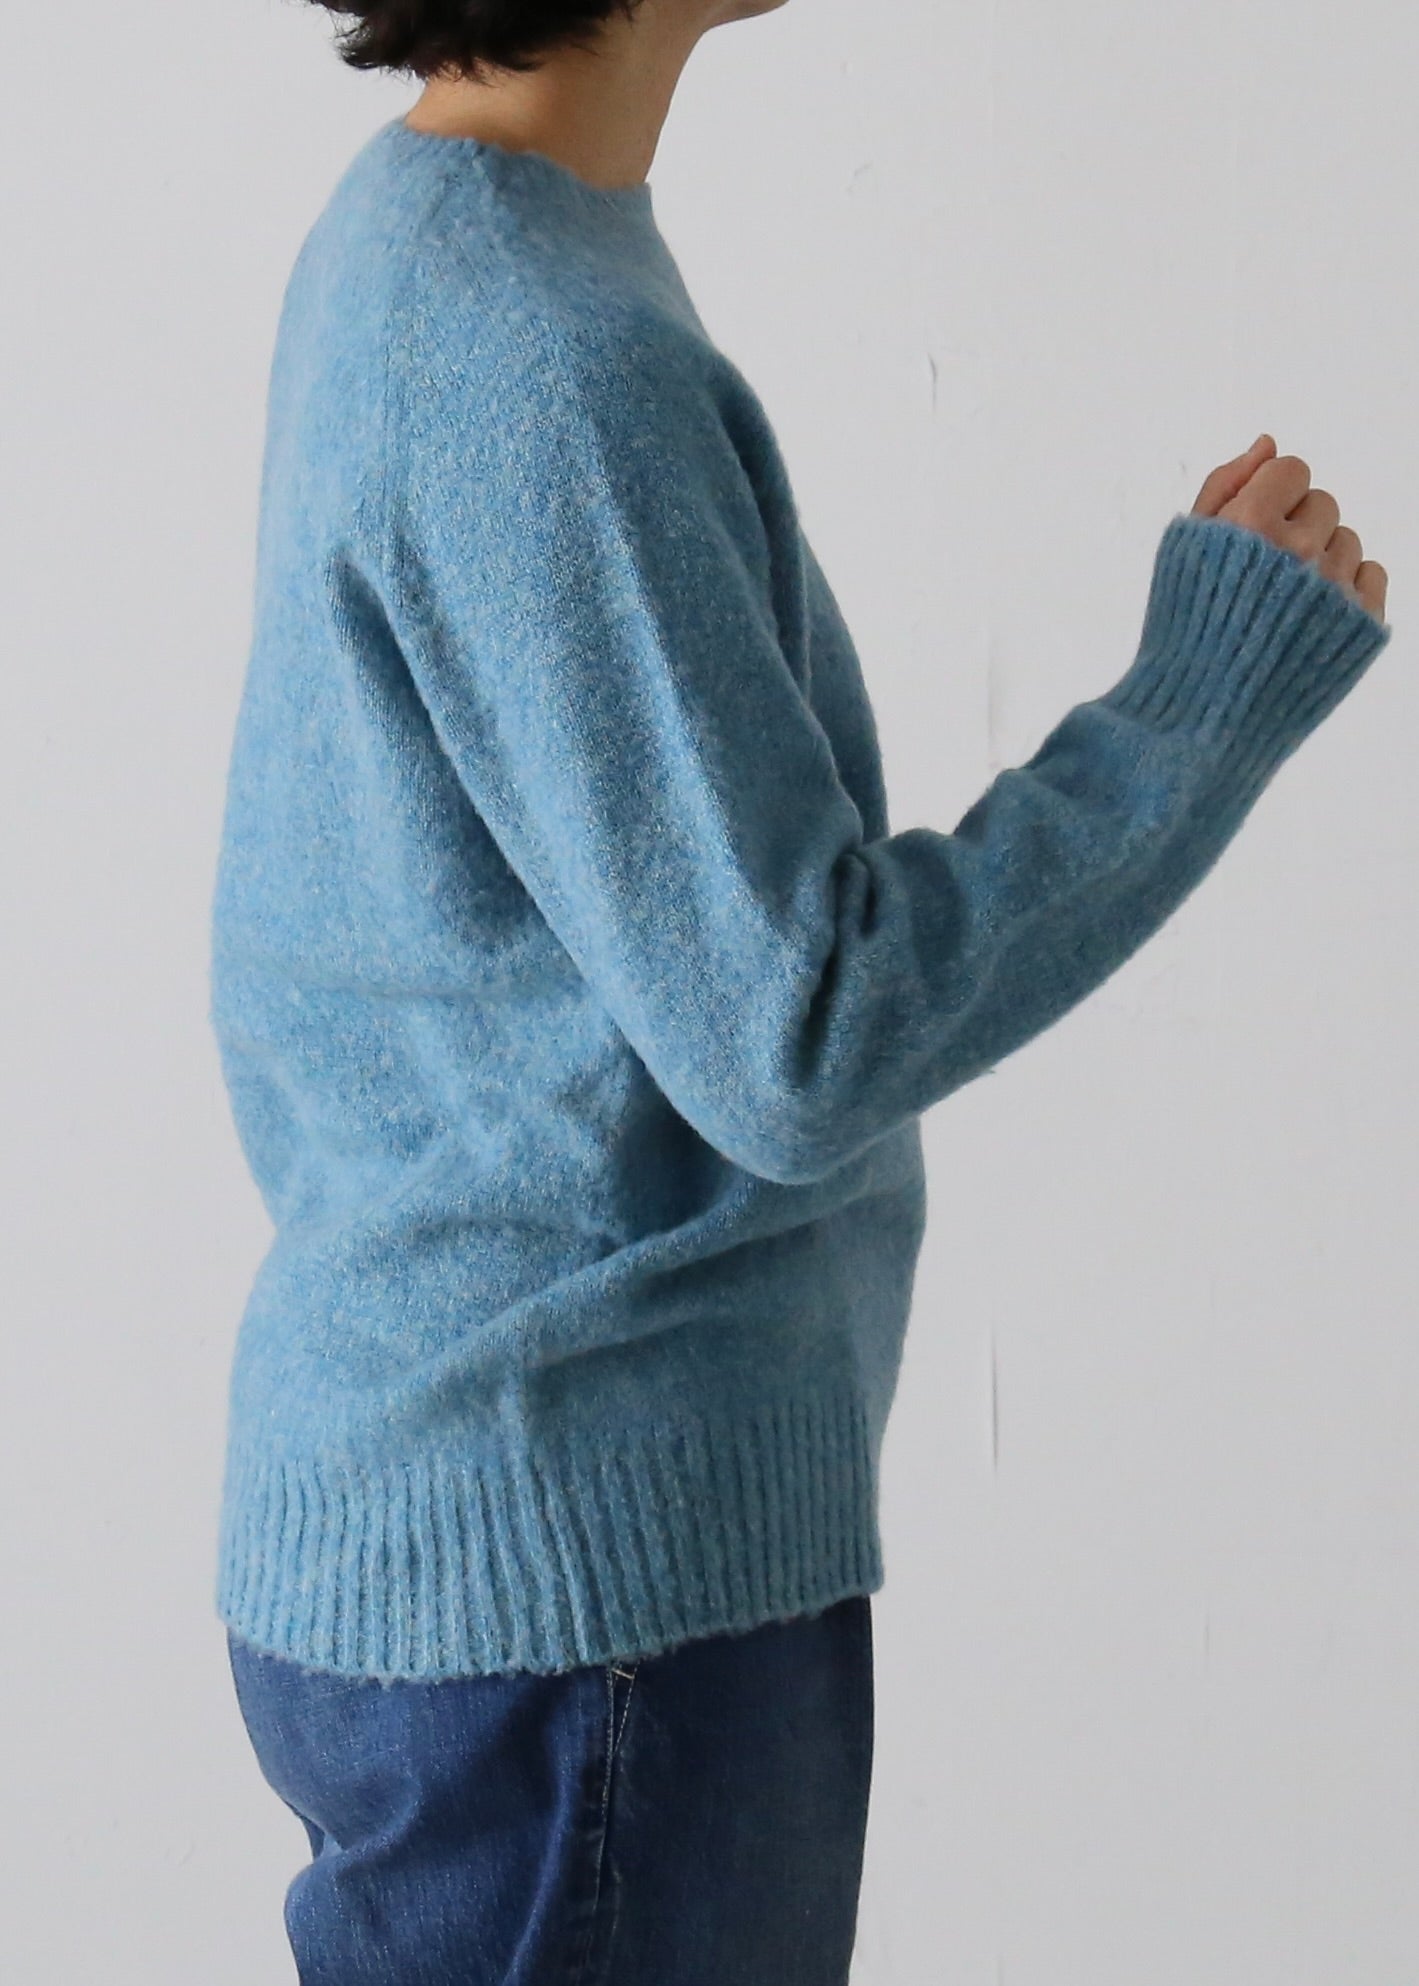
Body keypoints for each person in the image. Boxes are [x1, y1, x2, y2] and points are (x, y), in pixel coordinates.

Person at [209, 1, 1391, 1980]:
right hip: (580, 1596)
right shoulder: (528, 350)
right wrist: (1195, 705)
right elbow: (797, 1031)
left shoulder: (458, 239)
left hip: (508, 1553)